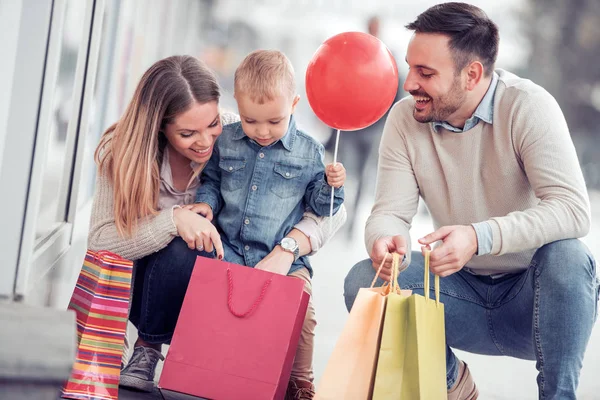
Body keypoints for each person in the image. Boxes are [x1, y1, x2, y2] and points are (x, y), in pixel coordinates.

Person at [343, 3, 598, 400]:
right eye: (411, 67)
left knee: (570, 256)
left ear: (472, 74)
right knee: (363, 281)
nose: (410, 84)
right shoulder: (404, 120)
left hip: (534, 304)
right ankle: (452, 384)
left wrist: (478, 238)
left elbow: (573, 209)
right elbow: (390, 213)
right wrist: (385, 239)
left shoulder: (528, 106)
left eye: (426, 73)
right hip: (456, 297)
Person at [87, 55, 347, 393]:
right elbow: (100, 239)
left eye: (212, 125)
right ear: (159, 127)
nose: (206, 141)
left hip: (241, 266)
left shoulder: (245, 132)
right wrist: (174, 219)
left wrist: (289, 247)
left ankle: (287, 379)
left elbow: (332, 212)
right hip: (151, 285)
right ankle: (148, 349)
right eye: (187, 133)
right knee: (184, 248)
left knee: (292, 304)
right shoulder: (122, 152)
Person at [187, 49, 345, 399]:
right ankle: (209, 364)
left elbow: (321, 206)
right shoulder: (225, 140)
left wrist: (333, 185)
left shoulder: (309, 152)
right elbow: (211, 181)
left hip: (285, 256)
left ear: (294, 104)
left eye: (274, 122)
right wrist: (207, 205)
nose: (261, 131)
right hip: (228, 245)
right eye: (250, 120)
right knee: (211, 298)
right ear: (237, 106)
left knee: (303, 308)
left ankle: (301, 380)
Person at [324, 15, 403, 239]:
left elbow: (394, 94)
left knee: (363, 178)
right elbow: (340, 87)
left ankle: (350, 224)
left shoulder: (387, 58)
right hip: (351, 129)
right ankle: (336, 218)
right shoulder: (353, 53)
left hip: (373, 128)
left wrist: (385, 124)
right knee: (344, 174)